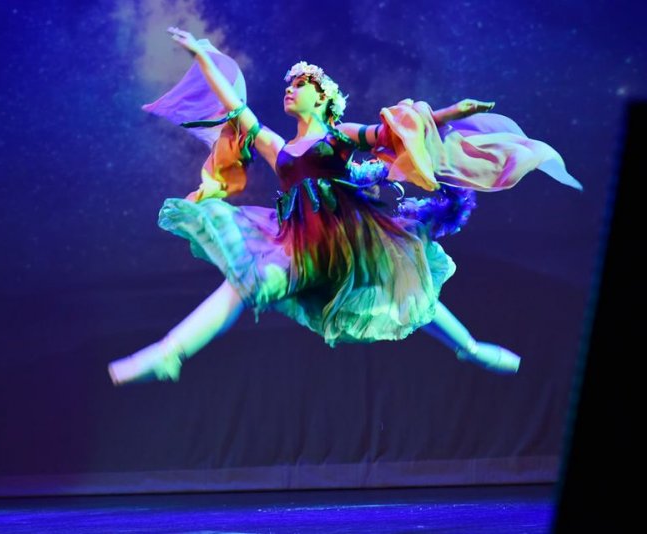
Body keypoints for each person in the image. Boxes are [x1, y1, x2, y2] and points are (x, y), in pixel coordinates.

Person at [108, 27, 582, 385]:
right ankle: (170, 352)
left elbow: (393, 134)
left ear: (322, 97)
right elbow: (235, 107)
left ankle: (471, 347)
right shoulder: (277, 148)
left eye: (300, 83)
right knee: (249, 284)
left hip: (351, 236)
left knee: (407, 290)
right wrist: (204, 56)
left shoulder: (339, 135)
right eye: (289, 84)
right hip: (298, 244)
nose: (290, 88)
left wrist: (452, 112)